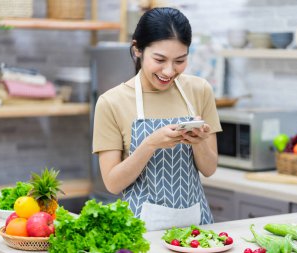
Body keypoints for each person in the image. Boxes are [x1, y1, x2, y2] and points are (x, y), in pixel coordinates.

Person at [93, 7, 222, 231]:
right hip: (139, 233)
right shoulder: (111, 102)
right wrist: (151, 144)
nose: (169, 71)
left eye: (180, 60)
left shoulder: (200, 90)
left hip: (196, 229)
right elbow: (113, 183)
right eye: (160, 59)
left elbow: (209, 169)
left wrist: (198, 142)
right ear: (137, 50)